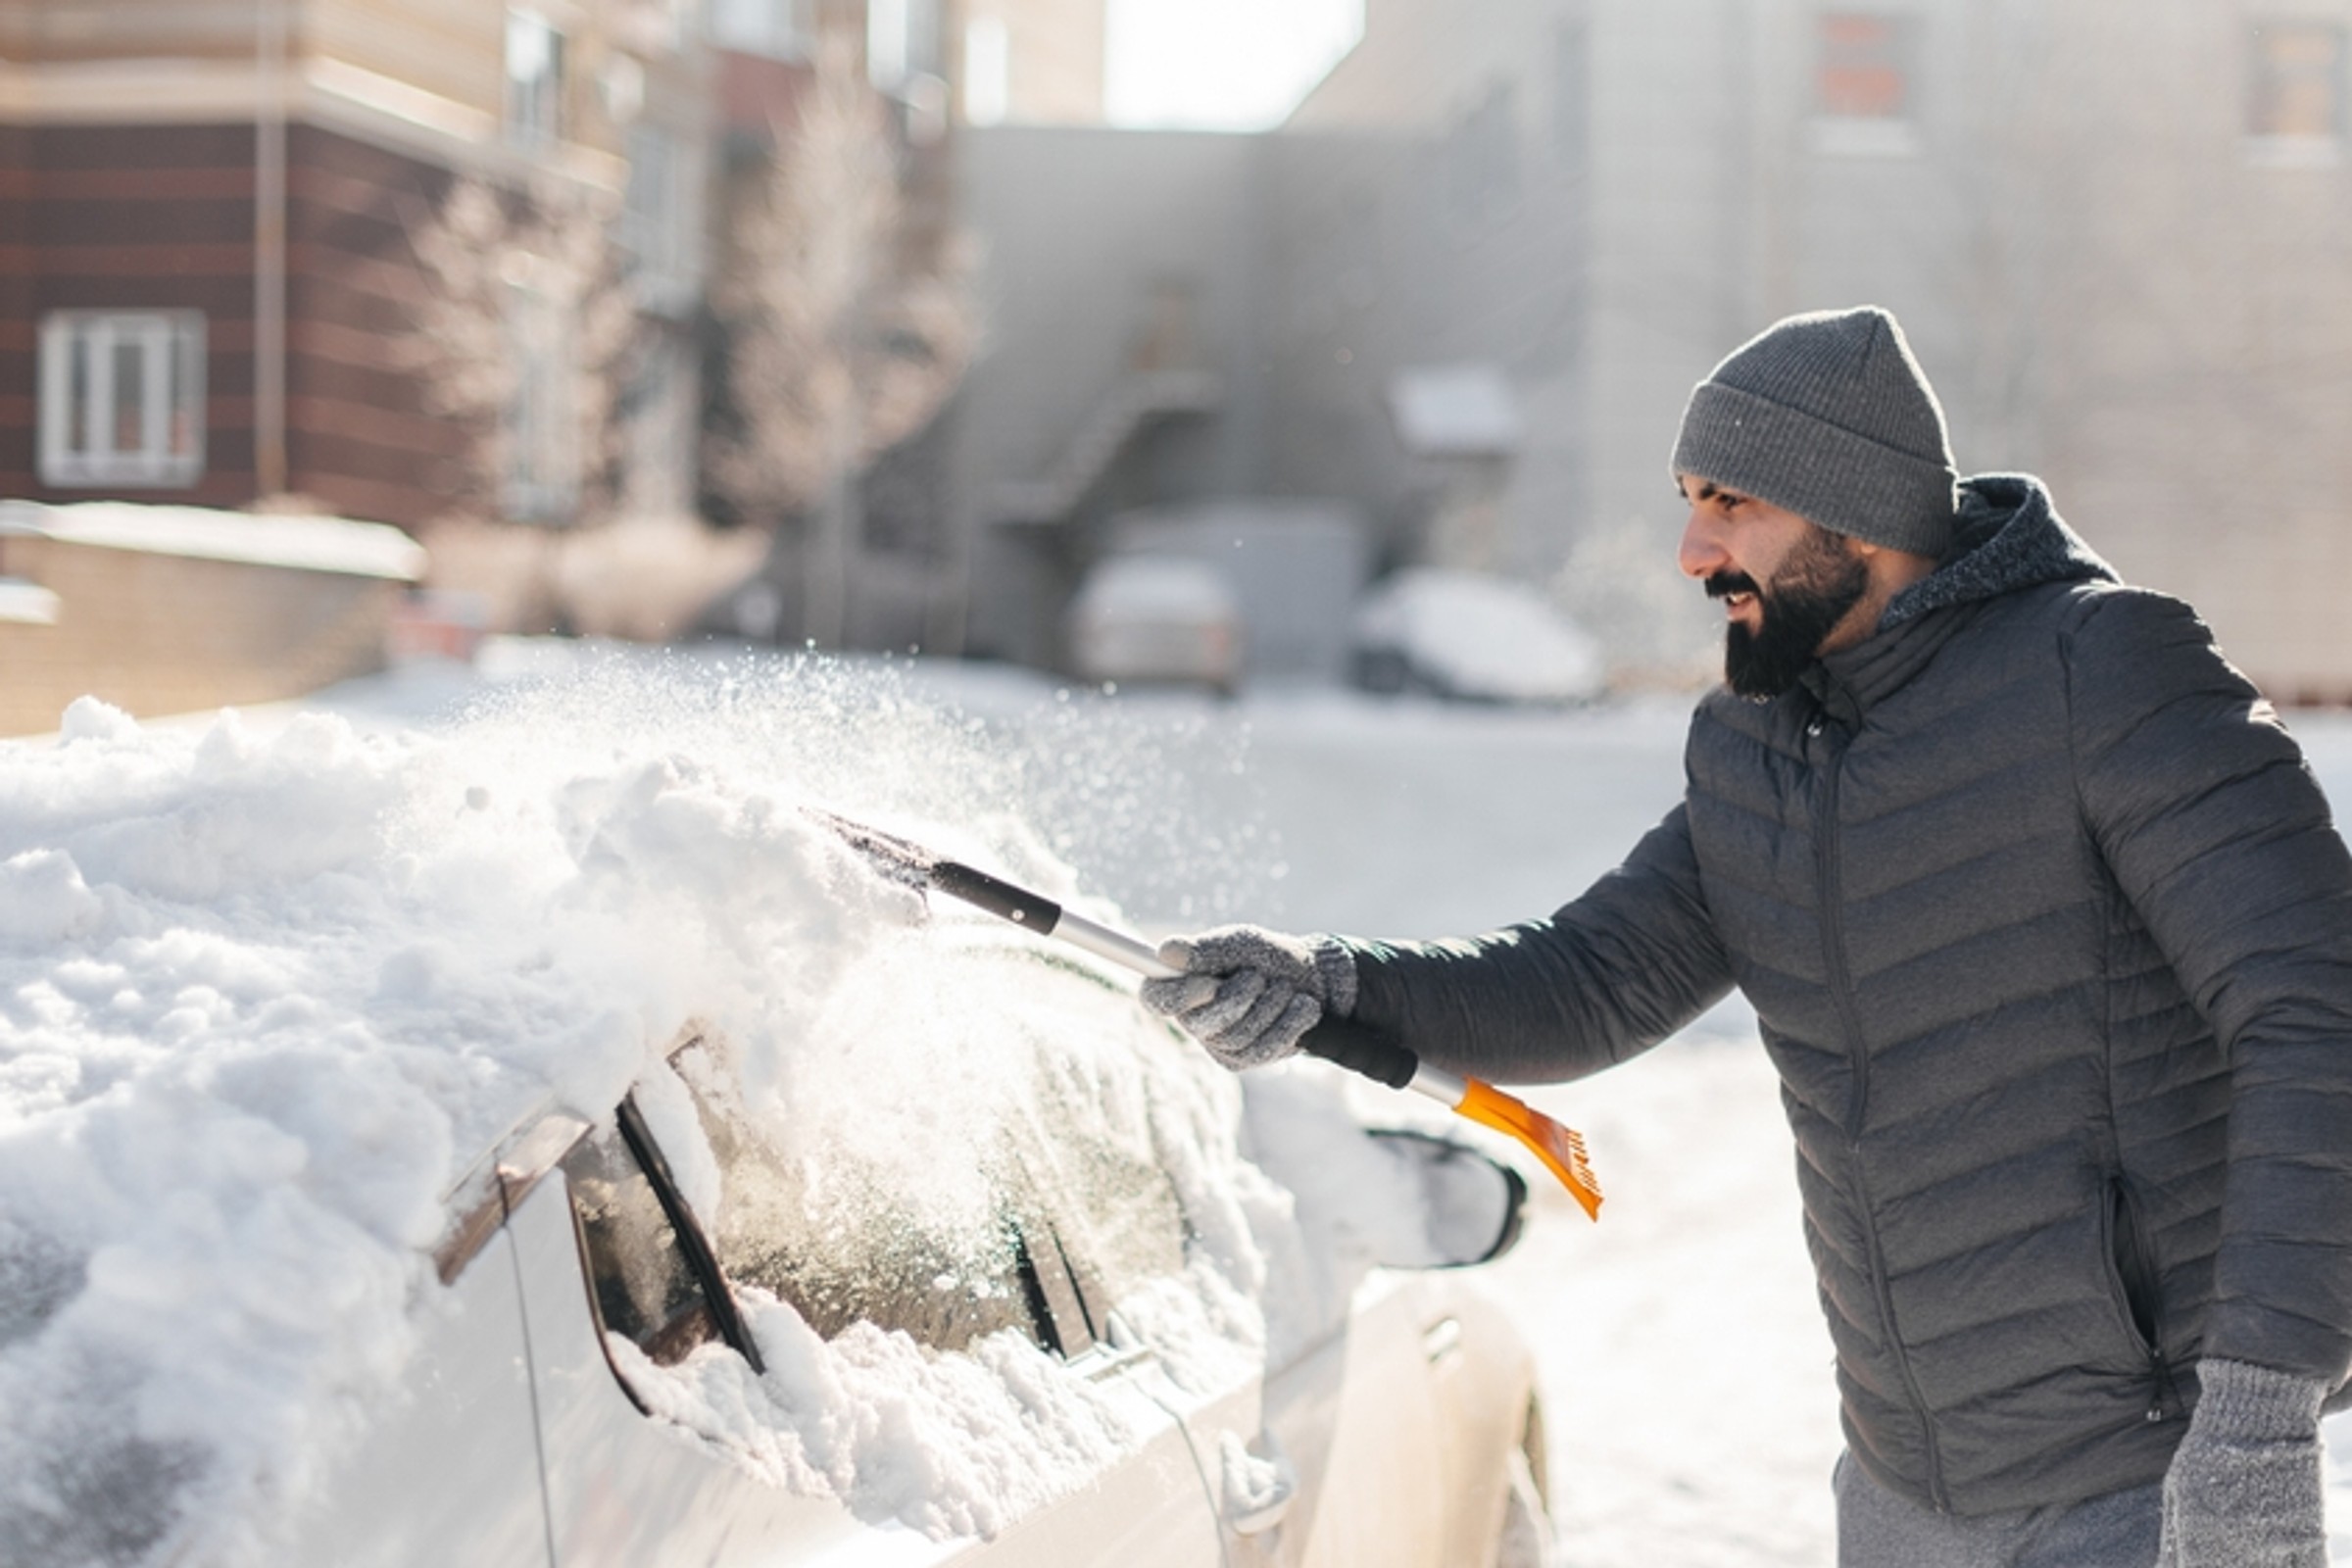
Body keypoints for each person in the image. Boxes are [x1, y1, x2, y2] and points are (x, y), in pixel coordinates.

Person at [1143, 306, 2352, 1568]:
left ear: (1858, 513)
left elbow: (2316, 1018)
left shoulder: (2102, 670)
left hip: (2148, 1483)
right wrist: (1329, 986)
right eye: (1688, 501)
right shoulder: (1759, 746)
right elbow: (1594, 980)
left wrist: (2257, 1417)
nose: (1691, 551)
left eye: (1731, 503)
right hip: (1900, 1493)